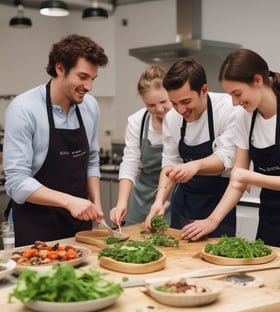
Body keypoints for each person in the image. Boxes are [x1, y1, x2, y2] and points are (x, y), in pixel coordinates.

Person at [180, 48, 280, 252]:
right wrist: (211, 221)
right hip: (270, 213)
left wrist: (248, 176)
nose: (234, 102)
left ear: (258, 80)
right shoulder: (244, 118)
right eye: (230, 95)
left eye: (237, 93)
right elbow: (237, 181)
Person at [3, 34, 109, 246]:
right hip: (36, 225)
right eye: (82, 77)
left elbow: (91, 161)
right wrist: (69, 201)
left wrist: (96, 203)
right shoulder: (24, 109)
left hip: (79, 225)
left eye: (92, 79)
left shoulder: (90, 107)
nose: (89, 87)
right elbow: (16, 182)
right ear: (60, 68)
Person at [145, 57, 239, 238]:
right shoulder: (172, 118)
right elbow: (170, 160)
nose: (180, 110)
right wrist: (159, 201)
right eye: (174, 103)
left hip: (218, 202)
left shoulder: (227, 109)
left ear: (204, 90)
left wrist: (195, 166)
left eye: (186, 102)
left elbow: (227, 157)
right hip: (185, 200)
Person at [110, 65, 172, 227]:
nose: (159, 109)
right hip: (141, 198)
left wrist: (161, 200)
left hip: (171, 195)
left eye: (164, 102)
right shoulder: (137, 121)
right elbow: (129, 163)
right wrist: (122, 203)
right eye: (150, 105)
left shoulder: (183, 120)